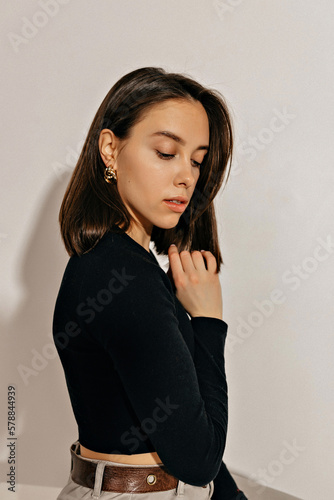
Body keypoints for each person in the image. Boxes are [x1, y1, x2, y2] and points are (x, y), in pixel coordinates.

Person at [53, 67, 248, 500]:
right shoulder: (121, 281)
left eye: (197, 160)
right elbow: (198, 458)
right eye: (166, 152)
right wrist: (209, 321)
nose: (187, 176)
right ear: (110, 149)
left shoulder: (119, 268)